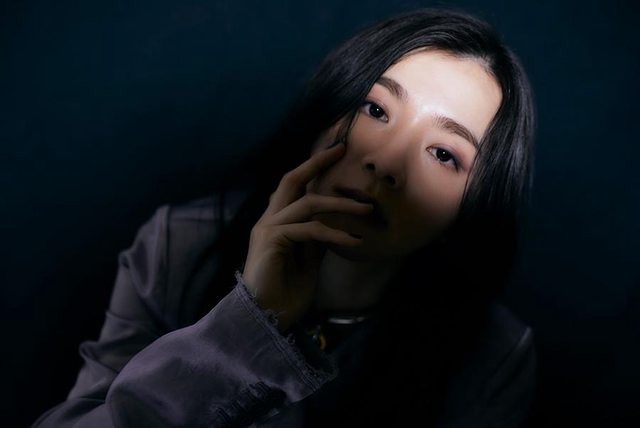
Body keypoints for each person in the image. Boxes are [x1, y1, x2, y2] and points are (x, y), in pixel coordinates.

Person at [33, 7, 536, 427]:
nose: (385, 161)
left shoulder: (495, 354)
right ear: (326, 111)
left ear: (472, 208)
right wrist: (246, 326)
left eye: (444, 154)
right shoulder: (175, 248)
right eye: (376, 110)